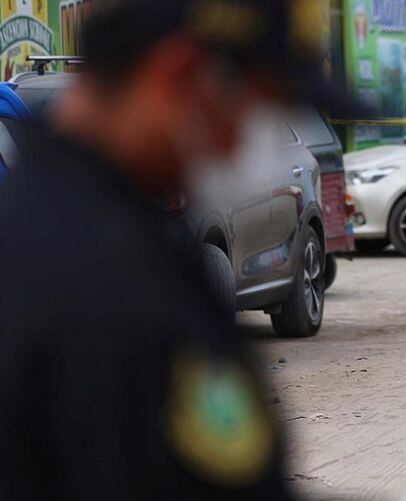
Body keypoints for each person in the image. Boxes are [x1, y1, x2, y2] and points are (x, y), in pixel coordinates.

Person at [0, 1, 362, 498]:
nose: (247, 143)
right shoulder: (118, 282)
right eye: (262, 110)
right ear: (182, 76)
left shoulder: (49, 225)